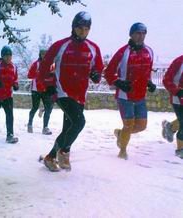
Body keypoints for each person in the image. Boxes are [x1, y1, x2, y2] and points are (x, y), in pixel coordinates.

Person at [38, 11, 104, 171]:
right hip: (62, 92)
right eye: (80, 28)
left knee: (69, 127)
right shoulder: (61, 45)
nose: (83, 32)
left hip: (80, 94)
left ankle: (58, 154)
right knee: (79, 122)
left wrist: (96, 74)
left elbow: (98, 69)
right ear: (74, 27)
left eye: (87, 29)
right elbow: (44, 67)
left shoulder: (93, 48)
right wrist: (49, 86)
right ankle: (58, 153)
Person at [104, 22, 156, 159]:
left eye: (143, 33)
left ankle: (121, 135)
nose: (141, 36)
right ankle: (122, 151)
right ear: (131, 34)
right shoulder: (123, 52)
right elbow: (108, 72)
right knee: (128, 125)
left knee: (141, 126)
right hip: (124, 95)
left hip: (140, 95)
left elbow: (147, 71)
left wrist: (149, 82)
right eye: (138, 33)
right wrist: (119, 83)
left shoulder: (149, 51)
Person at [27, 48, 54, 135]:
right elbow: (29, 75)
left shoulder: (51, 65)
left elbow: (54, 75)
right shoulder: (36, 64)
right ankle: (30, 124)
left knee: (49, 108)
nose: (44, 56)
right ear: (40, 55)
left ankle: (45, 128)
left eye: (46, 54)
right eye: (43, 54)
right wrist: (39, 74)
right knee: (34, 107)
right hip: (36, 90)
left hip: (46, 89)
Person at [162, 55, 183, 158]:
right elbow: (166, 79)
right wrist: (177, 91)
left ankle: (169, 127)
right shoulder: (179, 62)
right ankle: (180, 150)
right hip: (178, 99)